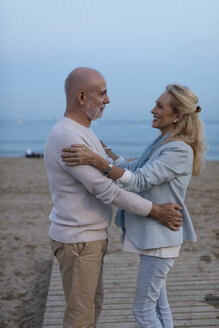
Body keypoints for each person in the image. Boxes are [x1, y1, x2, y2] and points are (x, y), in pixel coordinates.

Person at [44, 67, 183, 328]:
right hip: (78, 241)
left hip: (89, 238)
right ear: (82, 97)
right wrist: (156, 210)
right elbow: (108, 190)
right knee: (81, 317)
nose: (108, 100)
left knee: (92, 305)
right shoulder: (68, 136)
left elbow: (114, 171)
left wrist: (105, 156)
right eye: (103, 93)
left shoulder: (84, 130)